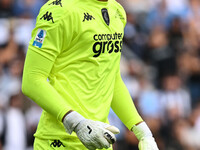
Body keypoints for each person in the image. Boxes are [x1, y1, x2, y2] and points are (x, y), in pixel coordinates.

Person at [22, 0, 159, 149]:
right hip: (59, 142)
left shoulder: (117, 11)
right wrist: (77, 123)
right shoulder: (59, 10)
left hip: (100, 140)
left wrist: (142, 132)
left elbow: (112, 79)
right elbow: (32, 79)